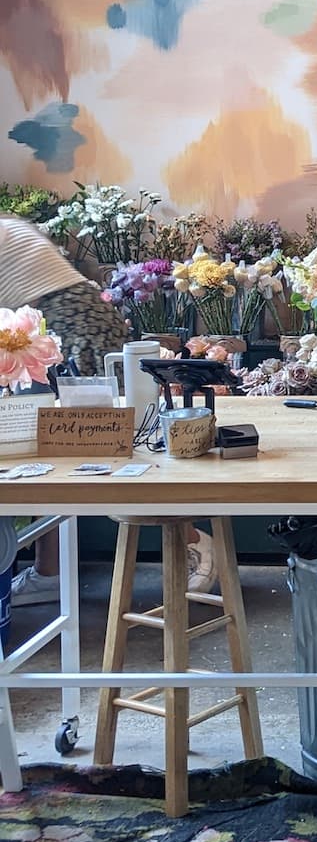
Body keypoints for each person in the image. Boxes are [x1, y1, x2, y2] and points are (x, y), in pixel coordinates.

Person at [0, 214, 215, 602]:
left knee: (115, 442)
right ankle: (50, 571)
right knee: (52, 452)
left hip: (68, 326)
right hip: (60, 324)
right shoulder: (9, 224)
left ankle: (192, 539)